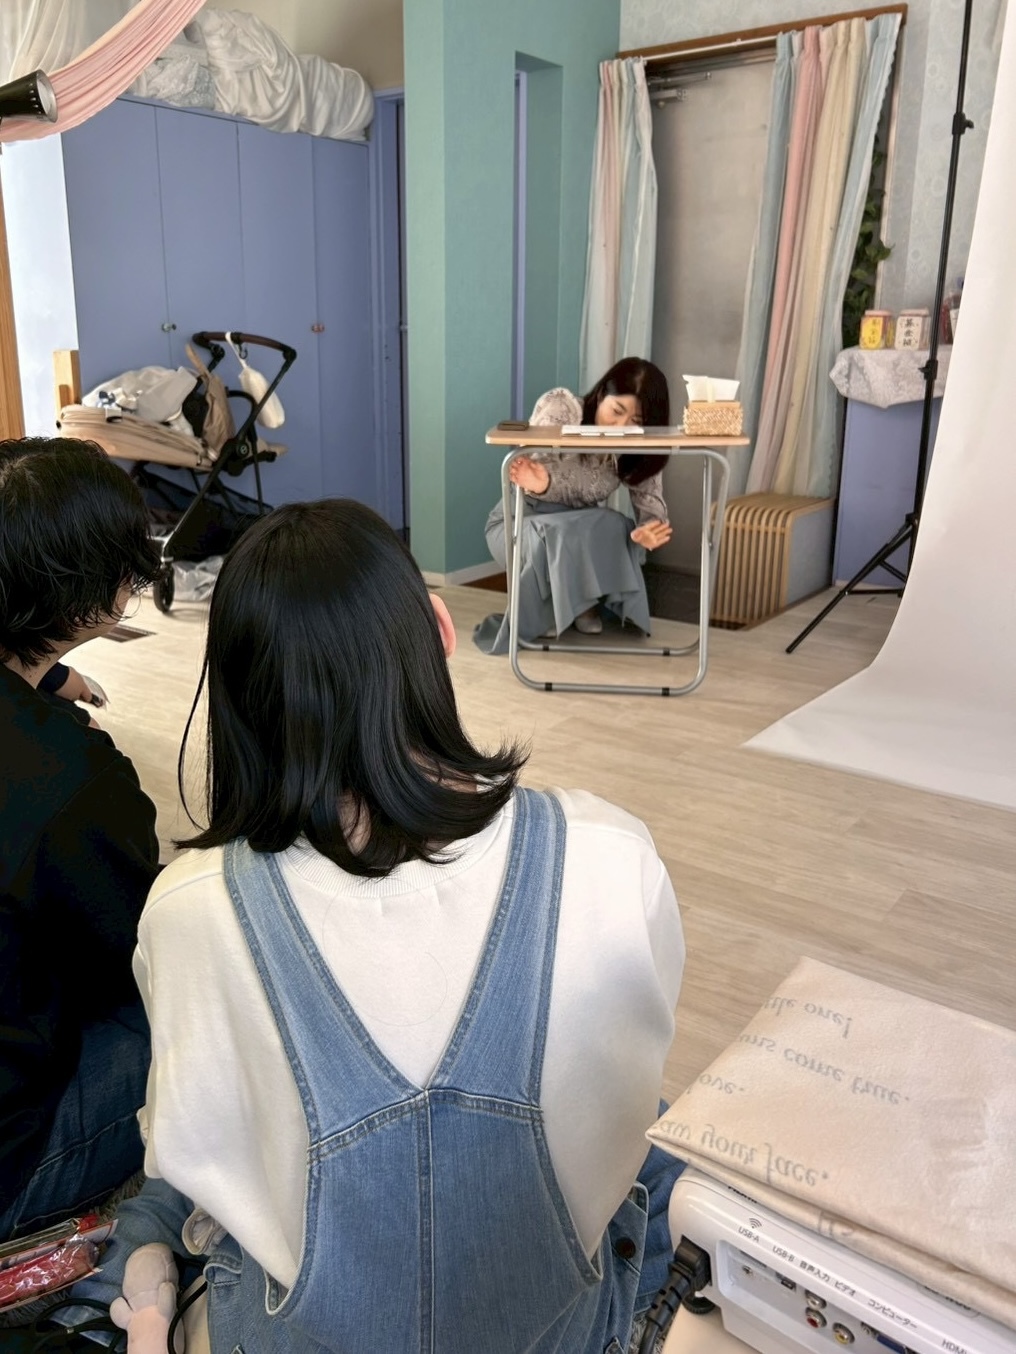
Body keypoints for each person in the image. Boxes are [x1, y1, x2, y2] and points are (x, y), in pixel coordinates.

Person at [81, 498, 686, 1354]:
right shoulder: (611, 853)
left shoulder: (188, 909)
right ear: (441, 629)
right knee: (651, 1128)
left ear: (236, 698)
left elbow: (203, 1149)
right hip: (562, 1336)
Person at [0, 437, 161, 1240]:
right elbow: (139, 954)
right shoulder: (72, 778)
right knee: (203, 1006)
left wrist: (47, 677)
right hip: (11, 1162)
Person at [474, 357, 674, 654]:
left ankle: (575, 604)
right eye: (617, 411)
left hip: (574, 530)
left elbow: (650, 503)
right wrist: (544, 483)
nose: (621, 427)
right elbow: (532, 471)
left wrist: (649, 529)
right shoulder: (564, 408)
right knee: (558, 533)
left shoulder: (634, 444)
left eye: (636, 421)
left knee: (617, 525)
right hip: (520, 522)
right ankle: (565, 609)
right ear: (601, 395)